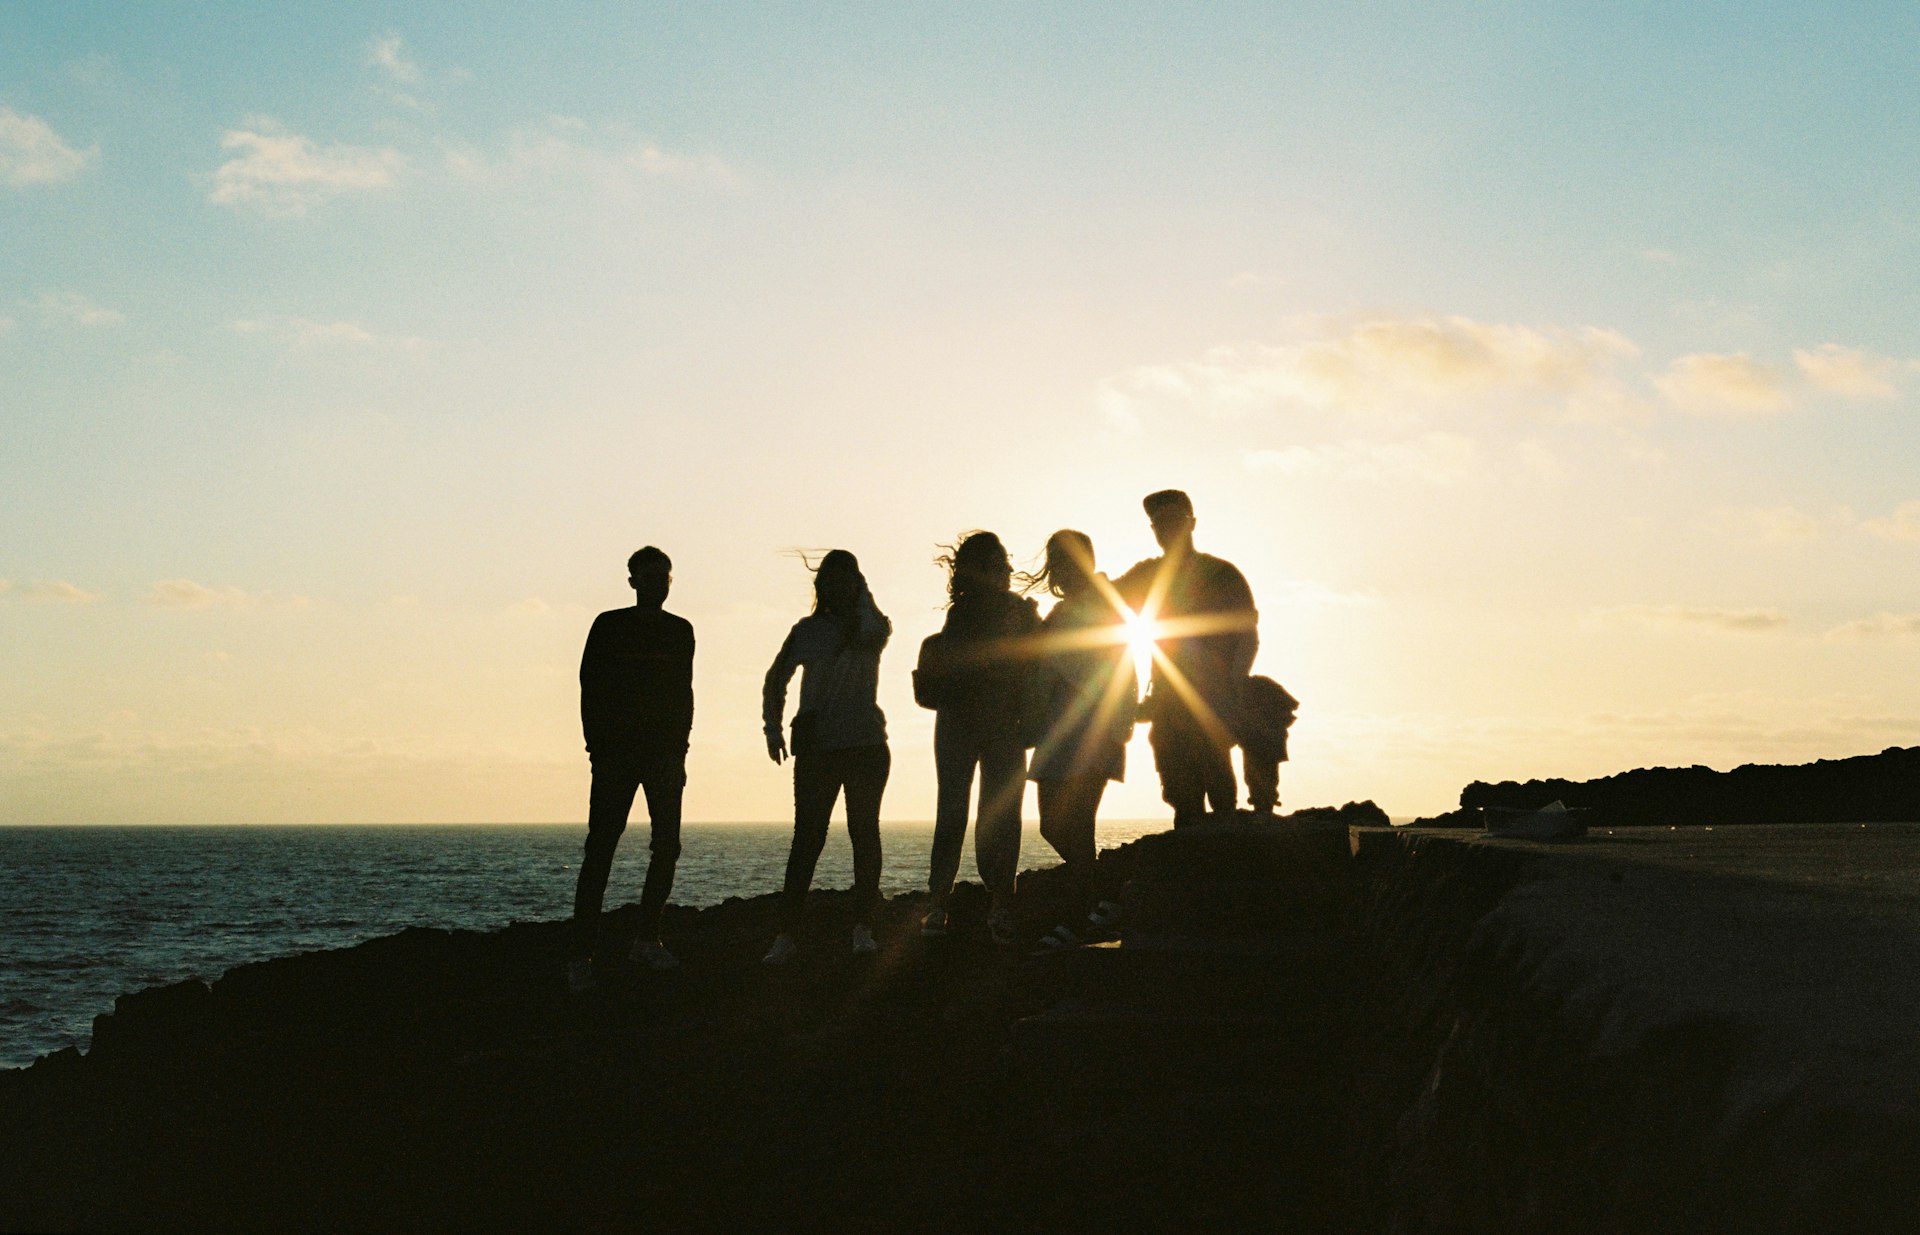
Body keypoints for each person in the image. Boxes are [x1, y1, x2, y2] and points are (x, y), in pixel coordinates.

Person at [568, 546, 694, 994]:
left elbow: (684, 691)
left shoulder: (681, 632)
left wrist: (680, 748)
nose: (657, 583)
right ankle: (582, 954)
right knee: (601, 848)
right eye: (649, 576)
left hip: (663, 755)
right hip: (616, 754)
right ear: (633, 582)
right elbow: (589, 685)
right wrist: (597, 747)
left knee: (667, 846)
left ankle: (647, 938)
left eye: (664, 576)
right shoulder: (609, 626)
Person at [760, 550, 893, 965]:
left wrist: (861, 589)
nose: (838, 587)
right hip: (818, 749)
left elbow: (875, 621)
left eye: (847, 580)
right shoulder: (806, 631)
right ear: (822, 587)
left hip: (865, 746)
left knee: (864, 834)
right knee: (808, 839)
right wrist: (772, 728)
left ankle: (863, 928)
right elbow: (774, 679)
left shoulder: (872, 627)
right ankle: (786, 934)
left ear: (858, 584)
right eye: (830, 580)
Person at [914, 531, 1042, 944]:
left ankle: (954, 905)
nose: (1003, 569)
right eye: (997, 562)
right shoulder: (986, 612)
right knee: (986, 813)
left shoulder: (969, 613)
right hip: (987, 723)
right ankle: (983, 905)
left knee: (971, 811)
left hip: (976, 723)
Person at [1112, 490, 1259, 828]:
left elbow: (1247, 636)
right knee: (1182, 798)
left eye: (1173, 520)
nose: (1166, 529)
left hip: (1213, 701)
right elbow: (1101, 602)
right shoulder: (1146, 575)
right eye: (1158, 523)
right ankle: (1191, 873)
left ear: (1191, 523)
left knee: (1220, 793)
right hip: (1167, 704)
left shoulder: (1223, 574)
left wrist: (1232, 689)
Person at [1022, 530, 1136, 947]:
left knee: (1077, 825)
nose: (1062, 570)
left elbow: (1120, 666)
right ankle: (1106, 899)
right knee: (1054, 825)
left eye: (1068, 561)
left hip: (1094, 730)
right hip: (1057, 734)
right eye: (1057, 561)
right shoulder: (1062, 611)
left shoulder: (1105, 605)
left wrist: (1119, 724)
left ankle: (1085, 917)